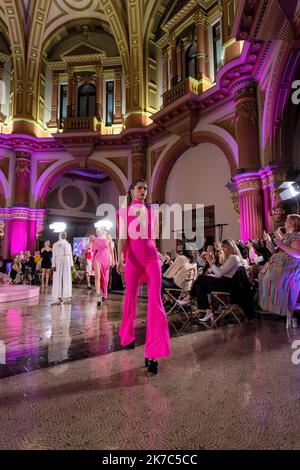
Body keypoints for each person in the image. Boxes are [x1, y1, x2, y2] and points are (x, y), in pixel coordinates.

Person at [117, 179, 170, 374]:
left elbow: (153, 238)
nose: (143, 191)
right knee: (129, 298)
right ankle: (127, 335)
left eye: (145, 189)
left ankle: (152, 353)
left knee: (155, 302)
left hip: (150, 258)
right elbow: (123, 238)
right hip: (132, 259)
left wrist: (158, 254)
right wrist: (119, 259)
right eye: (139, 188)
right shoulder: (124, 212)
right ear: (131, 191)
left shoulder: (152, 212)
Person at [178, 239, 247, 321]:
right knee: (200, 286)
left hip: (229, 285)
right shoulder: (231, 258)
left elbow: (219, 274)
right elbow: (220, 272)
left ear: (230, 247)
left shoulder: (233, 258)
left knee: (200, 278)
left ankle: (189, 297)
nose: (221, 249)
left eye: (223, 247)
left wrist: (210, 262)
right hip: (227, 283)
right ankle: (208, 311)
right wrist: (212, 267)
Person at [259, 214, 300, 327]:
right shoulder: (287, 235)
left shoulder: (296, 236)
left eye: (287, 220)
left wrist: (281, 243)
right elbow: (275, 251)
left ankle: (287, 311)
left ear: (292, 223)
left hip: (290, 269)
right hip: (280, 266)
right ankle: (275, 304)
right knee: (263, 276)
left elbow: (297, 254)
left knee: (271, 279)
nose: (285, 222)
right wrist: (268, 241)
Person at [92, 226, 115, 307]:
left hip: (106, 259)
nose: (100, 230)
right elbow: (94, 251)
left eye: (102, 229)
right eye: (100, 229)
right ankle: (98, 298)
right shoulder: (96, 239)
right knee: (97, 278)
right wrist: (92, 263)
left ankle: (104, 294)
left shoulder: (108, 237)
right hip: (98, 259)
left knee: (106, 279)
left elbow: (111, 250)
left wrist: (113, 260)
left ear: (105, 230)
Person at [51, 232, 73, 306]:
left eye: (65, 234)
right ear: (60, 235)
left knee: (67, 278)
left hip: (67, 260)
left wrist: (71, 264)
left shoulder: (68, 244)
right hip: (58, 259)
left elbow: (70, 255)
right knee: (57, 277)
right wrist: (53, 264)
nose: (64, 235)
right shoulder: (55, 244)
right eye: (62, 234)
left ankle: (67, 296)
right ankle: (57, 296)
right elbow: (53, 255)